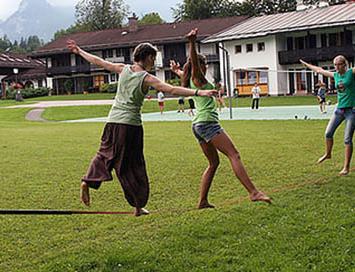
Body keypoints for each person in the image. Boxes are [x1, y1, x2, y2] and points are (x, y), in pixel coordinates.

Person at [67, 39, 216, 216]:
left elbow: (97, 61)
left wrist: (79, 51)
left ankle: (90, 181)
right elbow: (172, 90)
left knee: (104, 154)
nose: (153, 63)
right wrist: (199, 92)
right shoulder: (146, 78)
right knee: (133, 165)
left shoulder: (123, 69)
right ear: (146, 57)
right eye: (153, 59)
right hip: (130, 126)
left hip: (112, 122)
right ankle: (137, 205)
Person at [171, 29, 270, 208]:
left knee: (214, 162)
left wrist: (177, 71)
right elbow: (193, 64)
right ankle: (254, 192)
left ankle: (202, 201)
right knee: (234, 155)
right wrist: (192, 42)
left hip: (197, 126)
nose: (207, 66)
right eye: (205, 63)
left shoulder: (191, 80)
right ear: (199, 66)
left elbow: (185, 72)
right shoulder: (198, 78)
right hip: (208, 123)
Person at [299, 33, 355, 175]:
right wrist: (306, 64)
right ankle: (328, 154)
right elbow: (319, 70)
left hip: (352, 110)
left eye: (339, 64)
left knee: (347, 138)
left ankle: (346, 167)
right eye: (335, 65)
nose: (336, 67)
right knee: (328, 133)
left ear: (344, 64)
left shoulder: (351, 72)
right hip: (340, 109)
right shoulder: (335, 75)